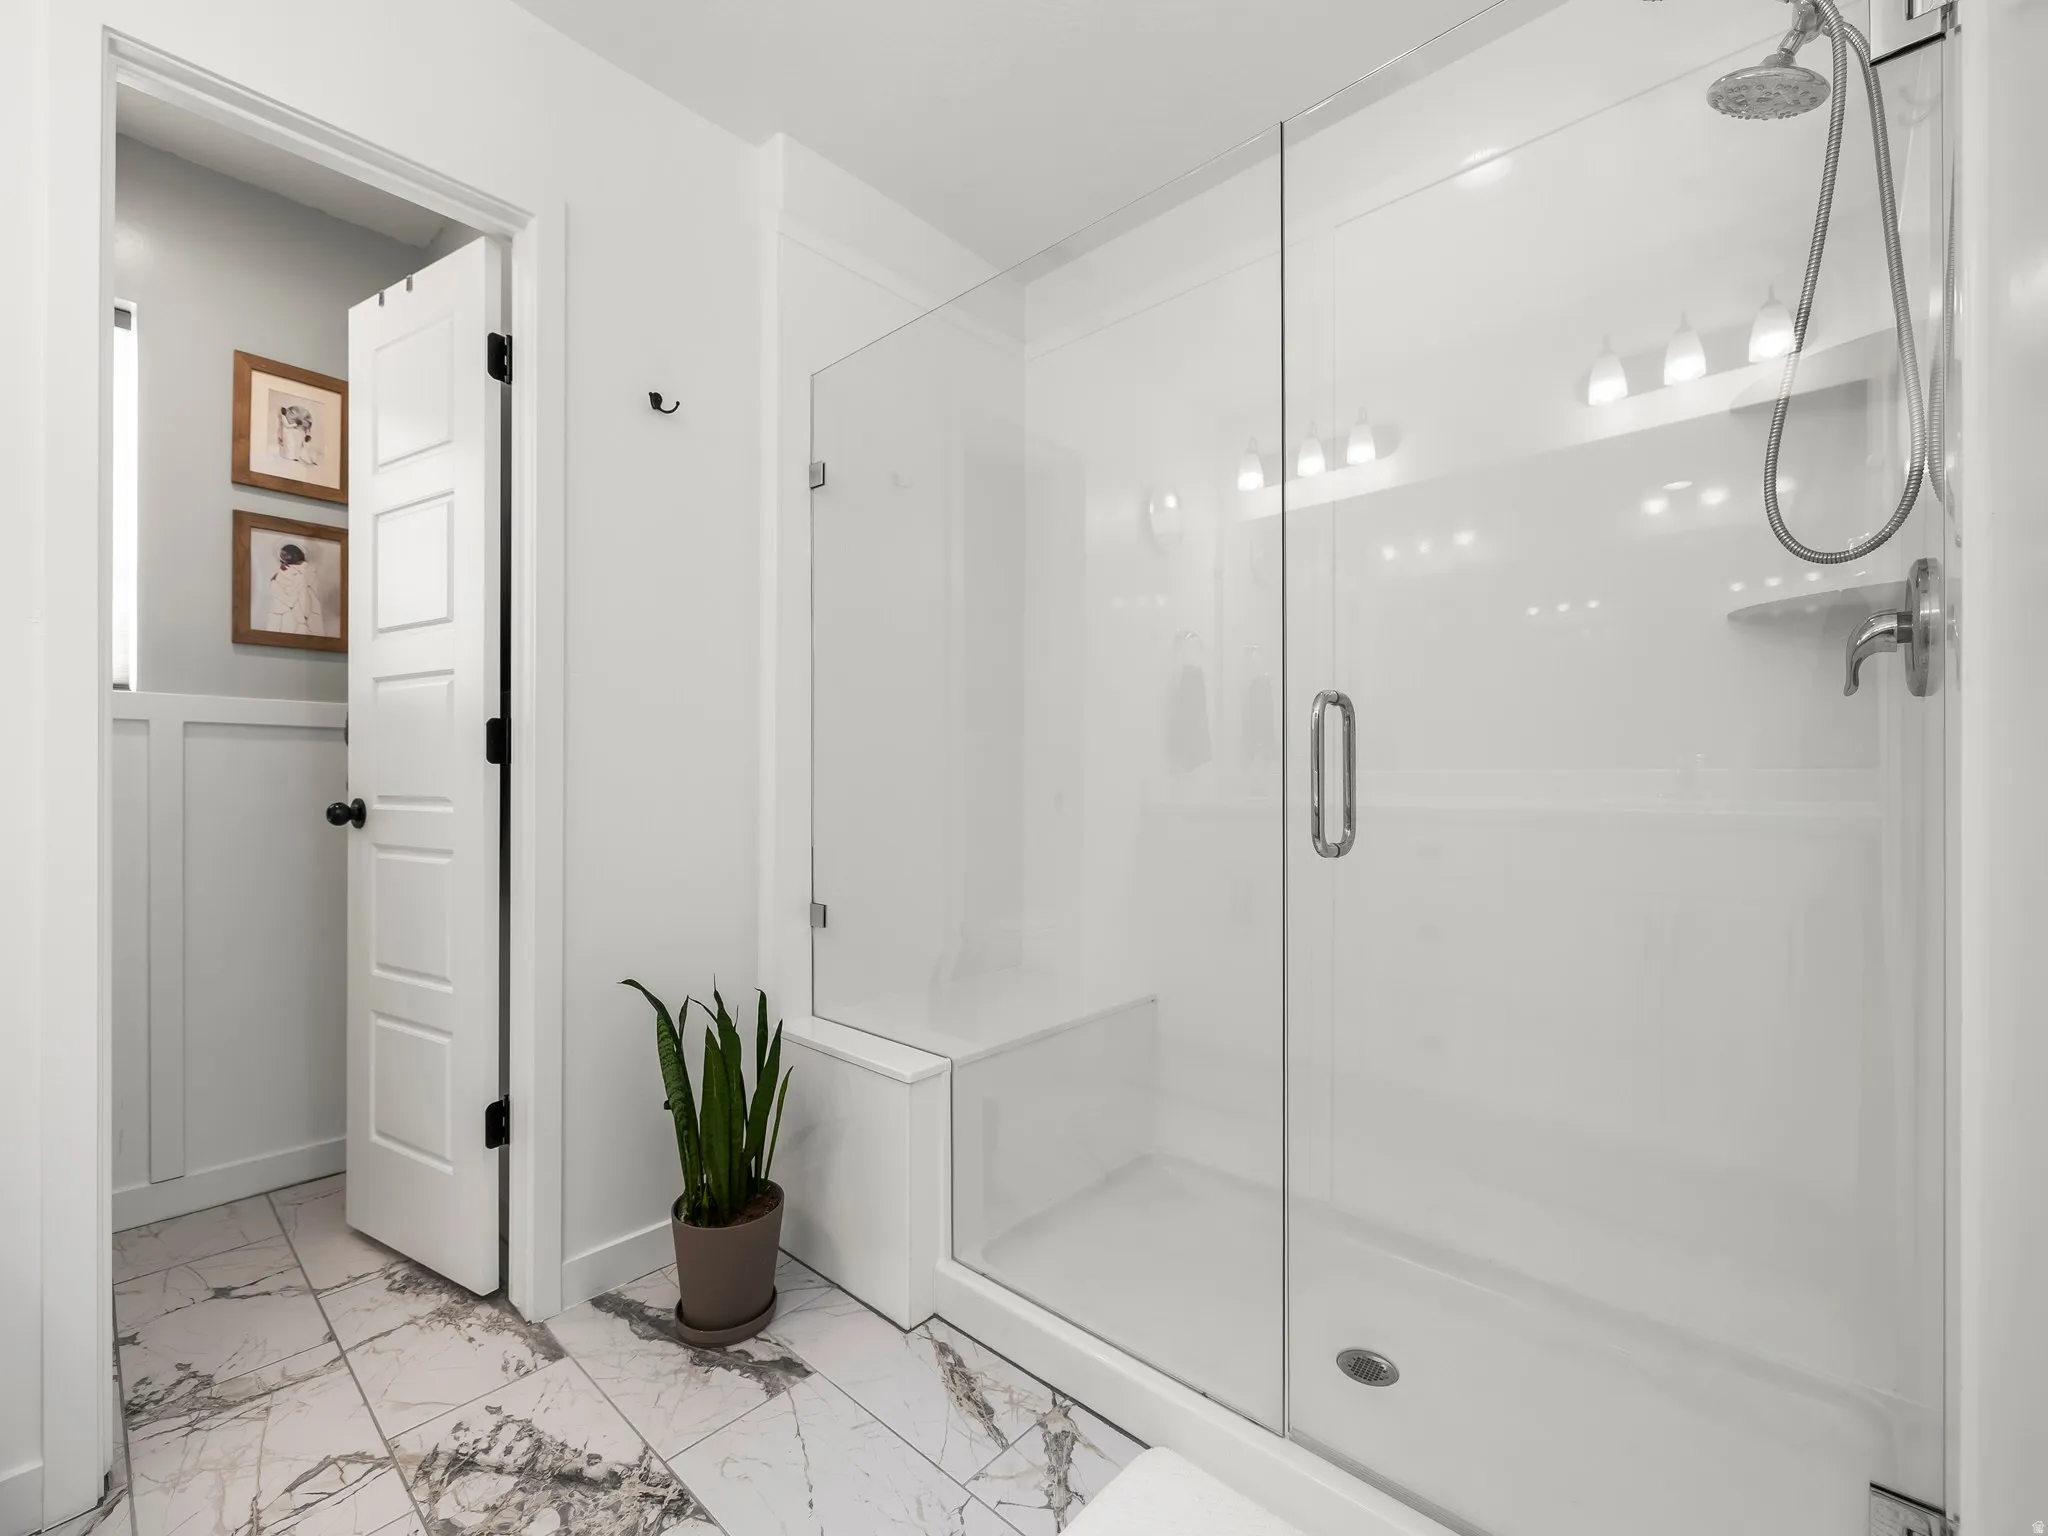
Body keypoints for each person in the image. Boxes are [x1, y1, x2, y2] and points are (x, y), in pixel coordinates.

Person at [265, 542, 324, 635]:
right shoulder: (281, 572)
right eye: (283, 555)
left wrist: (274, 584)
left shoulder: (308, 571)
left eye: (287, 554)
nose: (284, 557)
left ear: (295, 554)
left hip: (302, 617)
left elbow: (291, 598)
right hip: (283, 617)